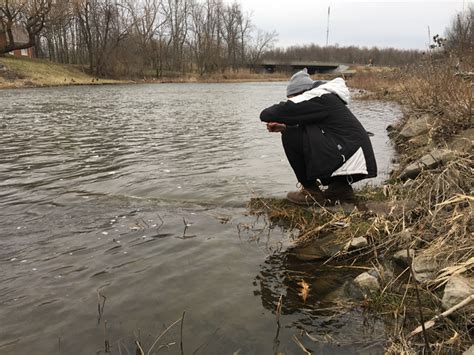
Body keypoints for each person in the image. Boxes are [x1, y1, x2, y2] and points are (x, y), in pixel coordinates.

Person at [260, 68, 377, 205]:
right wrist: (285, 126)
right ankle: (339, 188)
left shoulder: (318, 98)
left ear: (302, 93)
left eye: (292, 99)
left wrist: (288, 127)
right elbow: (317, 131)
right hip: (355, 156)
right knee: (293, 129)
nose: (293, 102)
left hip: (352, 158)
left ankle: (311, 191)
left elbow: (267, 114)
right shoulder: (325, 98)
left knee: (290, 135)